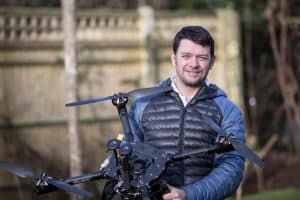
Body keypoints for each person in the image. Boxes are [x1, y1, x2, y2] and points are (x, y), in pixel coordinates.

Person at [127, 26, 245, 200]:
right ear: (174, 59)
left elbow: (231, 169)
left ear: (212, 61)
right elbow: (130, 151)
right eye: (186, 56)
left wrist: (188, 194)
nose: (194, 64)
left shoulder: (228, 111)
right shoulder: (143, 104)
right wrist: (115, 163)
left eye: (202, 57)